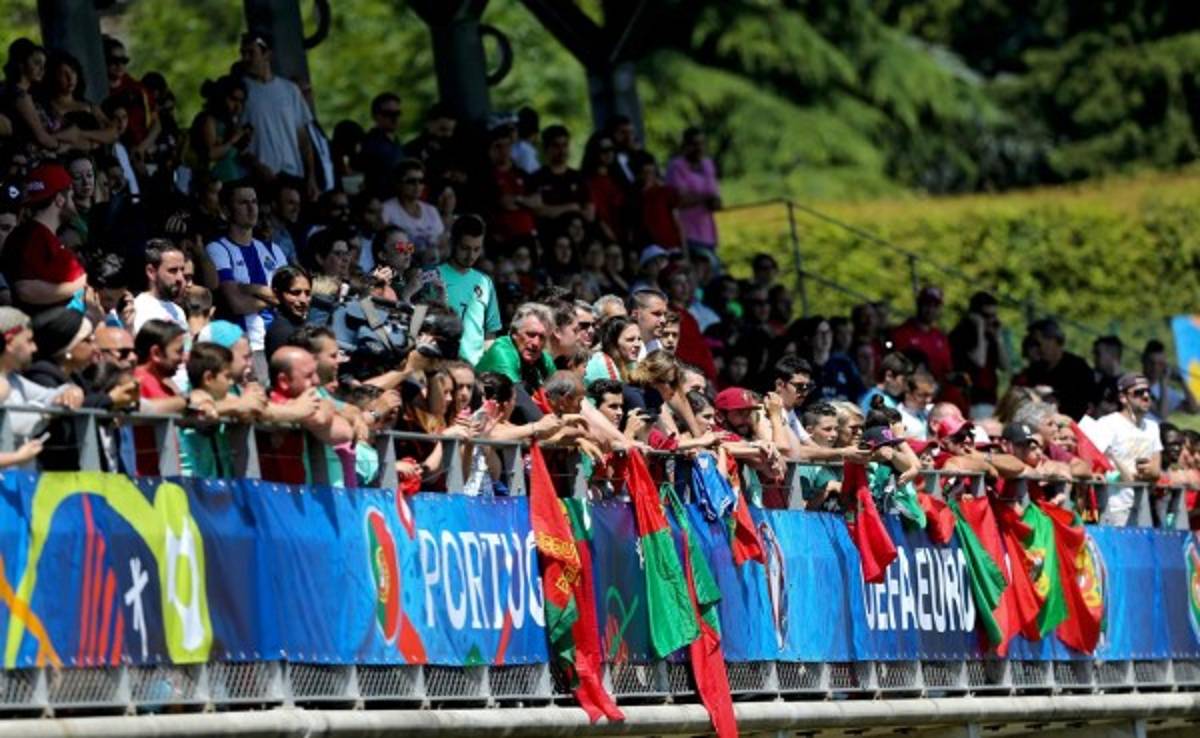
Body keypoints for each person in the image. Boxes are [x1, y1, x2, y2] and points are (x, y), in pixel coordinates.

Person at [205, 180, 286, 381]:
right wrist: (276, 297)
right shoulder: (218, 249)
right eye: (243, 203)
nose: (252, 208)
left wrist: (245, 288)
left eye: (254, 202)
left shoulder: (272, 250)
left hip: (279, 343)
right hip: (247, 346)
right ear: (226, 210)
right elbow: (236, 304)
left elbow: (293, 295)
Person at [257, 345, 353, 485]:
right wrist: (317, 410)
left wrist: (325, 407)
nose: (316, 381)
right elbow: (320, 420)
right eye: (308, 375)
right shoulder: (273, 403)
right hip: (274, 497)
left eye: (315, 374)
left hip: (298, 494)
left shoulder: (310, 402)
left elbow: (345, 432)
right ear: (284, 381)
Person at [237, 32, 318, 198]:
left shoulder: (290, 90)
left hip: (294, 176)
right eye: (243, 53)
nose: (245, 58)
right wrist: (256, 165)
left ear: (267, 54)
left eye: (251, 52)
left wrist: (311, 177)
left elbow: (303, 139)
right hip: (263, 179)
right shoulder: (241, 93)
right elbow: (237, 141)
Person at [1, 164, 87, 310]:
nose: (74, 203)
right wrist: (80, 284)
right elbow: (25, 290)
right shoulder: (32, 237)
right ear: (60, 199)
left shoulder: (41, 235)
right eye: (71, 196)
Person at [1086, 373, 1163, 525]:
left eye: (1149, 392)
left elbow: (1156, 472)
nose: (1146, 396)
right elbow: (1090, 463)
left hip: (1143, 507)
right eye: (1138, 393)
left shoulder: (1153, 427)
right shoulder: (1107, 424)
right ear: (1123, 398)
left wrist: (1146, 471)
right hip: (1112, 506)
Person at [435, 215, 499, 364]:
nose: (471, 256)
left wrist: (486, 367)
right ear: (453, 243)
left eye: (477, 249)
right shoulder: (432, 276)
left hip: (474, 371)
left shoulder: (485, 282)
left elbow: (490, 333)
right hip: (440, 365)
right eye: (465, 248)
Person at [1021, 318, 1095, 420]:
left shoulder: (1077, 367)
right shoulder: (1035, 370)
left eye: (1038, 343)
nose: (1037, 349)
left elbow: (1086, 400)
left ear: (1052, 340)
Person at [949, 291, 1009, 418]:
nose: (991, 320)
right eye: (986, 316)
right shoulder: (961, 335)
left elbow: (1005, 366)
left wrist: (998, 338)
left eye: (994, 316)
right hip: (970, 400)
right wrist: (980, 329)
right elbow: (979, 362)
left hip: (989, 399)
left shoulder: (991, 337)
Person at [665, 127, 721, 260]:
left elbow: (714, 195)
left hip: (708, 233)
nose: (699, 148)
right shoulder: (676, 166)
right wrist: (704, 199)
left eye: (702, 143)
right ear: (685, 145)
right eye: (695, 144)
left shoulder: (708, 164)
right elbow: (679, 199)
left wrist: (715, 201)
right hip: (687, 233)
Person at [475, 302, 556, 393]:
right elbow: (518, 399)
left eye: (542, 337)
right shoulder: (502, 352)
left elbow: (559, 390)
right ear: (514, 333)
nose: (536, 343)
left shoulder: (544, 359)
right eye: (530, 335)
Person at [189, 75, 251, 184]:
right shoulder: (208, 119)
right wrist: (233, 140)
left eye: (241, 101)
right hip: (216, 183)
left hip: (236, 179)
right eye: (233, 99)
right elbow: (210, 154)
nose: (238, 106)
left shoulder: (230, 121)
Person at [528, 124, 590, 233]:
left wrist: (553, 210)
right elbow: (538, 211)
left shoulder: (579, 177)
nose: (562, 150)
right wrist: (571, 207)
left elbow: (590, 214)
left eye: (565, 145)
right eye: (556, 146)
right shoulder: (536, 178)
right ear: (546, 148)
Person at [381, 159, 446, 256]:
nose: (417, 185)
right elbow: (387, 245)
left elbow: (443, 241)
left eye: (421, 181)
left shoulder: (431, 210)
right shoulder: (387, 209)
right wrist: (416, 251)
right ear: (398, 183)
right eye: (411, 181)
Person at [891, 285, 952, 383]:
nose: (930, 309)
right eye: (927, 304)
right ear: (919, 304)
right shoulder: (902, 333)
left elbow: (946, 370)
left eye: (935, 306)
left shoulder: (941, 338)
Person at [133, 239, 188, 334]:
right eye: (172, 270)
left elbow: (187, 345)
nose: (180, 277)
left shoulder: (178, 311)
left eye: (182, 270)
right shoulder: (138, 311)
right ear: (151, 272)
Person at [359, 92, 405, 198]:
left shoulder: (396, 142)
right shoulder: (369, 144)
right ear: (375, 116)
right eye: (388, 114)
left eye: (397, 113)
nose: (394, 118)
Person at [1142, 339, 1196, 421]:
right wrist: (1164, 382)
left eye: (1160, 364)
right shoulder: (1134, 385)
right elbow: (1162, 415)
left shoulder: (1167, 392)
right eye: (1151, 362)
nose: (1155, 367)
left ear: (1164, 365)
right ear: (1143, 360)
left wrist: (1181, 381)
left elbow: (1193, 409)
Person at [264, 266, 311, 359]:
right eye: (295, 293)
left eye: (307, 293)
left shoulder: (302, 326)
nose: (303, 300)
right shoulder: (281, 333)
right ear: (277, 293)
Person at [629, 287, 668, 358]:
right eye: (657, 314)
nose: (663, 320)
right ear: (635, 315)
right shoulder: (623, 348)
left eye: (665, 315)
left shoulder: (657, 345)